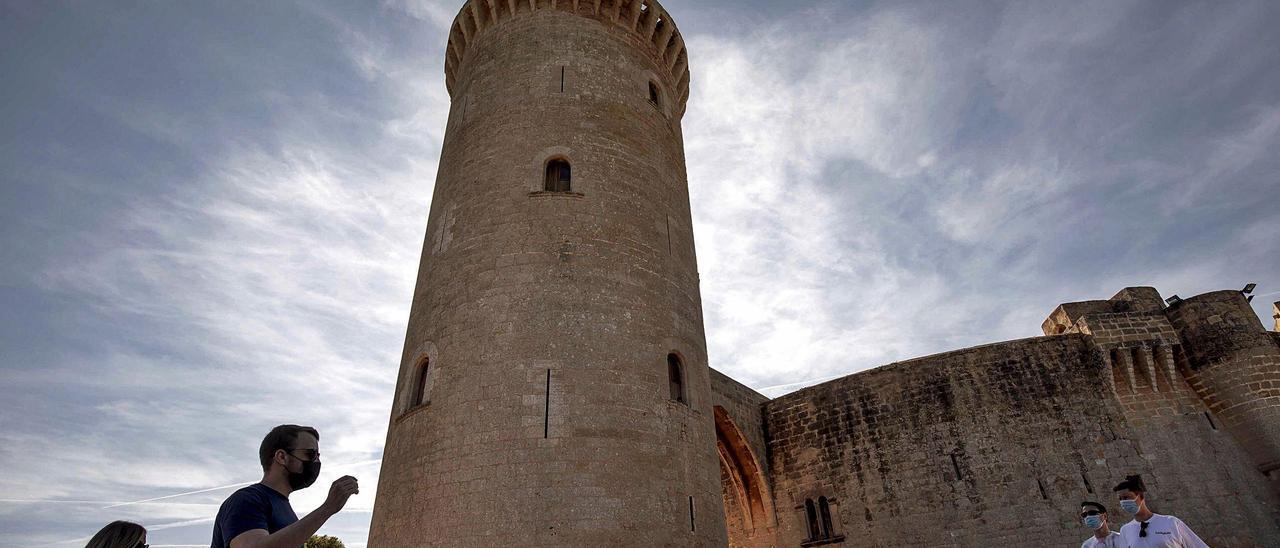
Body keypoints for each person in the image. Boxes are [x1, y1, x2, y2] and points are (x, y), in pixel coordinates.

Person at [211, 424, 359, 548]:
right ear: (282, 457)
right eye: (310, 454)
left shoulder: (285, 510)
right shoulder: (247, 499)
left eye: (318, 456)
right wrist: (327, 508)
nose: (316, 462)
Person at [1113, 475, 1207, 548]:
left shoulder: (1171, 522)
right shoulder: (1125, 530)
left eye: (1126, 497)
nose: (1123, 502)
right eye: (1120, 499)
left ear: (1140, 497)